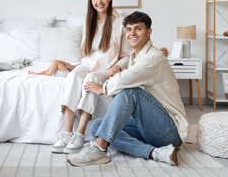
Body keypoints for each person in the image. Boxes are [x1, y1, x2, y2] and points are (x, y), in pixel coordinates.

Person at [67, 11, 189, 166]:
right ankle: (155, 153)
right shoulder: (134, 56)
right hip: (149, 127)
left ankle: (99, 148)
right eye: (129, 29)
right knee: (99, 126)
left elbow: (126, 80)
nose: (132, 33)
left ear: (149, 32)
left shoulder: (153, 58)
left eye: (138, 29)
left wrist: (102, 89)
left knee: (130, 92)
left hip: (169, 132)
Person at [51, 0, 131, 154]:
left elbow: (127, 55)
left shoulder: (120, 22)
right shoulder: (89, 21)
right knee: (72, 77)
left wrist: (118, 65)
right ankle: (66, 133)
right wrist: (76, 66)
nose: (99, 1)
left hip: (107, 67)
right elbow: (86, 53)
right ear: (91, 0)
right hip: (88, 63)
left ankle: (79, 134)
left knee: (90, 80)